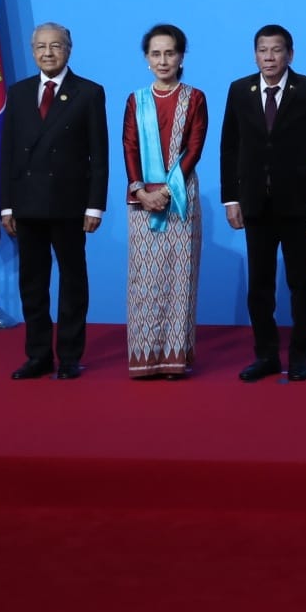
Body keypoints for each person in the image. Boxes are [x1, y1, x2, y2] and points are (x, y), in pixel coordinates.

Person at [220, 24, 306, 383]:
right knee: (260, 286)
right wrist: (231, 198)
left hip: (300, 205)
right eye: (262, 50)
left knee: (302, 284)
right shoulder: (240, 90)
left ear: (290, 54)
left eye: (276, 50)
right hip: (255, 204)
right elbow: (229, 147)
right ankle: (266, 355)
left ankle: (299, 357)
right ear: (255, 55)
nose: (269, 57)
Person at [1, 23, 108, 380]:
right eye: (41, 47)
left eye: (56, 46)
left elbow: (99, 154)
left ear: (69, 49)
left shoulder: (89, 93)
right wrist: (7, 205)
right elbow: (8, 154)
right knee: (32, 283)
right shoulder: (17, 94)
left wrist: (95, 206)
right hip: (27, 204)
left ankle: (70, 355)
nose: (48, 53)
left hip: (70, 205)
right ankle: (38, 356)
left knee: (72, 282)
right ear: (33, 51)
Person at [122, 23, 209, 379]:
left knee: (179, 279)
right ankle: (144, 357)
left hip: (180, 198)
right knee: (145, 282)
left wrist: (168, 192)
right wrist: (141, 191)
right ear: (146, 58)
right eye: (156, 54)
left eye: (170, 53)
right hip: (142, 201)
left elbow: (194, 147)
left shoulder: (195, 98)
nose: (163, 60)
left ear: (181, 56)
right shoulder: (136, 100)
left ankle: (174, 358)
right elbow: (129, 147)